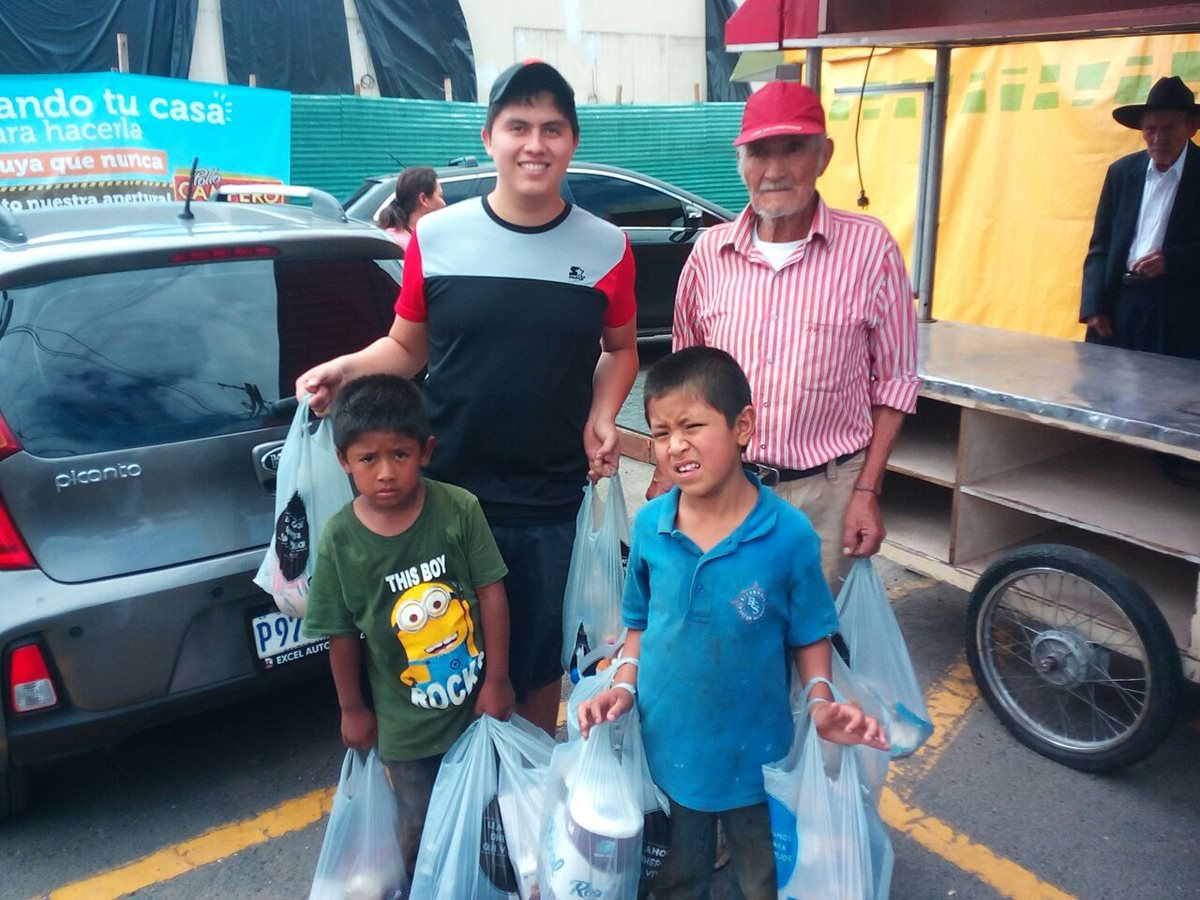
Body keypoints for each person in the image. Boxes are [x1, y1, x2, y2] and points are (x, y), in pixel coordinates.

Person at [296, 60, 639, 735]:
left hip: (547, 501)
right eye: (518, 126)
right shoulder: (437, 238)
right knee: (443, 661)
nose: (533, 143)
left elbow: (621, 349)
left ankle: (526, 811)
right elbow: (407, 347)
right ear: (489, 137)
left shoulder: (607, 248)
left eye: (551, 128)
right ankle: (454, 817)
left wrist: (603, 414)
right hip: (445, 499)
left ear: (572, 140)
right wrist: (347, 368)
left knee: (538, 670)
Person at [577, 347, 889, 900]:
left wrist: (821, 700)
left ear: (743, 425)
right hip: (669, 745)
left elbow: (809, 632)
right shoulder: (651, 526)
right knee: (678, 872)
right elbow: (639, 621)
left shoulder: (788, 534)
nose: (676, 445)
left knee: (762, 874)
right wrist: (623, 684)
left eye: (692, 425)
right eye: (661, 431)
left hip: (757, 755)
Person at [648, 80, 920, 594]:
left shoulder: (871, 249)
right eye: (759, 152)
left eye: (793, 148)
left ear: (824, 155)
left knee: (810, 644)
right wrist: (669, 473)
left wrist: (867, 489)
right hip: (721, 488)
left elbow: (896, 381)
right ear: (741, 161)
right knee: (722, 630)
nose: (774, 170)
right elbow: (681, 384)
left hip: (826, 495)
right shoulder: (709, 255)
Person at [301, 374, 514, 877]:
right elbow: (340, 634)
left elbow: (491, 592)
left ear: (426, 450)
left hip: (475, 712)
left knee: (491, 818)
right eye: (367, 459)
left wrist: (498, 680)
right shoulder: (340, 539)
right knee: (420, 828)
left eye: (399, 454)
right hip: (406, 731)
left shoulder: (457, 508)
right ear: (344, 462)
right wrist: (352, 708)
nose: (385, 472)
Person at [1080, 75, 1200, 360]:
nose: (1159, 138)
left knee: (1172, 400)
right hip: (1123, 305)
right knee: (1110, 395)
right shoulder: (1122, 173)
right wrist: (1094, 306)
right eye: (1151, 129)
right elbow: (1101, 244)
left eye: (1169, 129)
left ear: (1191, 127)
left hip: (1182, 312)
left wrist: (1173, 261)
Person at [376, 165, 445, 254]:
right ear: (423, 199)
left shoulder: (424, 236)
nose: (444, 203)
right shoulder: (395, 243)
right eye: (440, 196)